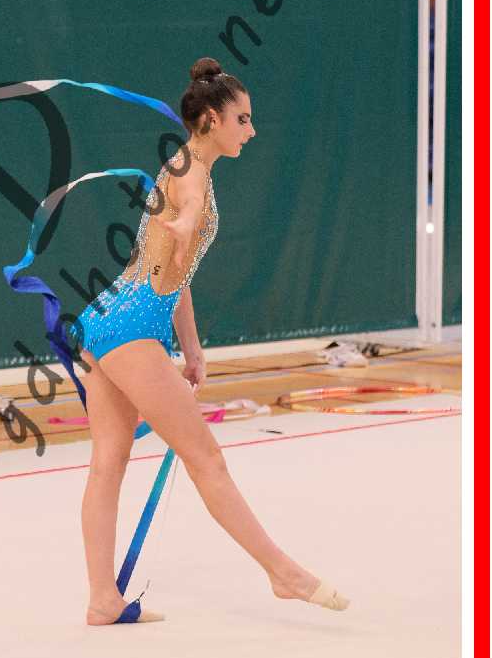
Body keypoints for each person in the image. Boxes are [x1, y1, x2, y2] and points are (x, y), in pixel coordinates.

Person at [74, 56, 350, 625]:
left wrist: (192, 349)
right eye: (242, 120)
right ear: (211, 120)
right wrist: (186, 221)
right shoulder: (191, 173)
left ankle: (103, 598)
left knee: (108, 463)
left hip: (106, 319)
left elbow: (180, 274)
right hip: (130, 329)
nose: (251, 130)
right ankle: (282, 572)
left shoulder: (179, 165)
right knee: (207, 460)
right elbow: (191, 207)